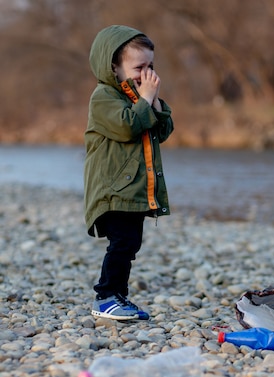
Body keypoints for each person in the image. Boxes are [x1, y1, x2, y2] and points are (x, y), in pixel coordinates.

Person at [84, 25, 174, 320]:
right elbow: (126, 127)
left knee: (130, 244)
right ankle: (105, 297)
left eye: (150, 66)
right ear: (114, 67)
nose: (146, 74)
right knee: (122, 243)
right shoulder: (104, 97)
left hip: (132, 189)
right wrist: (146, 100)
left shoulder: (139, 96)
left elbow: (162, 132)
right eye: (138, 67)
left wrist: (155, 102)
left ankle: (118, 296)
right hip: (113, 188)